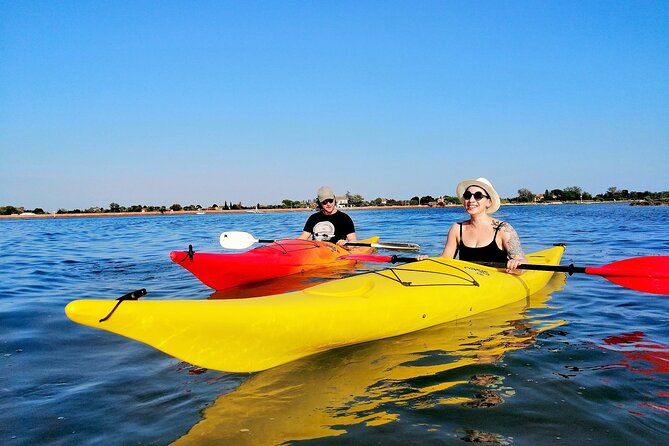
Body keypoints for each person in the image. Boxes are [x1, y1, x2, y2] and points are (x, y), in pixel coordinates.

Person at [419, 177, 526, 273]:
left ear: (489, 202)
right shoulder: (456, 229)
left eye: (478, 196)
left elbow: (522, 263)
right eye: (467, 195)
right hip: (468, 283)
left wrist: (516, 265)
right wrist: (428, 261)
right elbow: (445, 260)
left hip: (495, 284)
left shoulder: (503, 229)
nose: (471, 200)